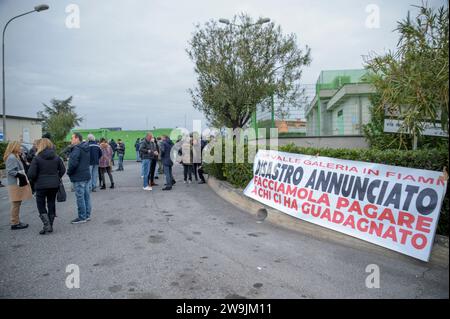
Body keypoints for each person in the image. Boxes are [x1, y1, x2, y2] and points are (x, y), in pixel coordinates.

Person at [27, 138, 66, 234]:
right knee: (51, 202)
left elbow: (31, 174)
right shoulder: (56, 157)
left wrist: (36, 180)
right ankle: (50, 225)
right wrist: (56, 177)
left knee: (40, 204)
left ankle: (46, 225)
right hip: (54, 184)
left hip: (41, 185)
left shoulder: (37, 158)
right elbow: (63, 170)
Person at [4, 141, 32, 230]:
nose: (21, 148)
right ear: (14, 147)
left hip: (15, 183)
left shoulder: (15, 156)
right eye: (19, 146)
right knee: (16, 203)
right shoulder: (12, 157)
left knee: (17, 203)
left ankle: (16, 221)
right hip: (14, 184)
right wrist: (20, 175)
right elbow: (10, 171)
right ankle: (15, 223)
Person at [67, 132, 92, 224]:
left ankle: (82, 217)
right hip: (86, 175)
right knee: (86, 196)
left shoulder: (77, 149)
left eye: (72, 138)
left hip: (79, 176)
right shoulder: (86, 148)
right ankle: (87, 215)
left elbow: (73, 163)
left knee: (80, 197)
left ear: (77, 139)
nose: (71, 140)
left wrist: (69, 172)